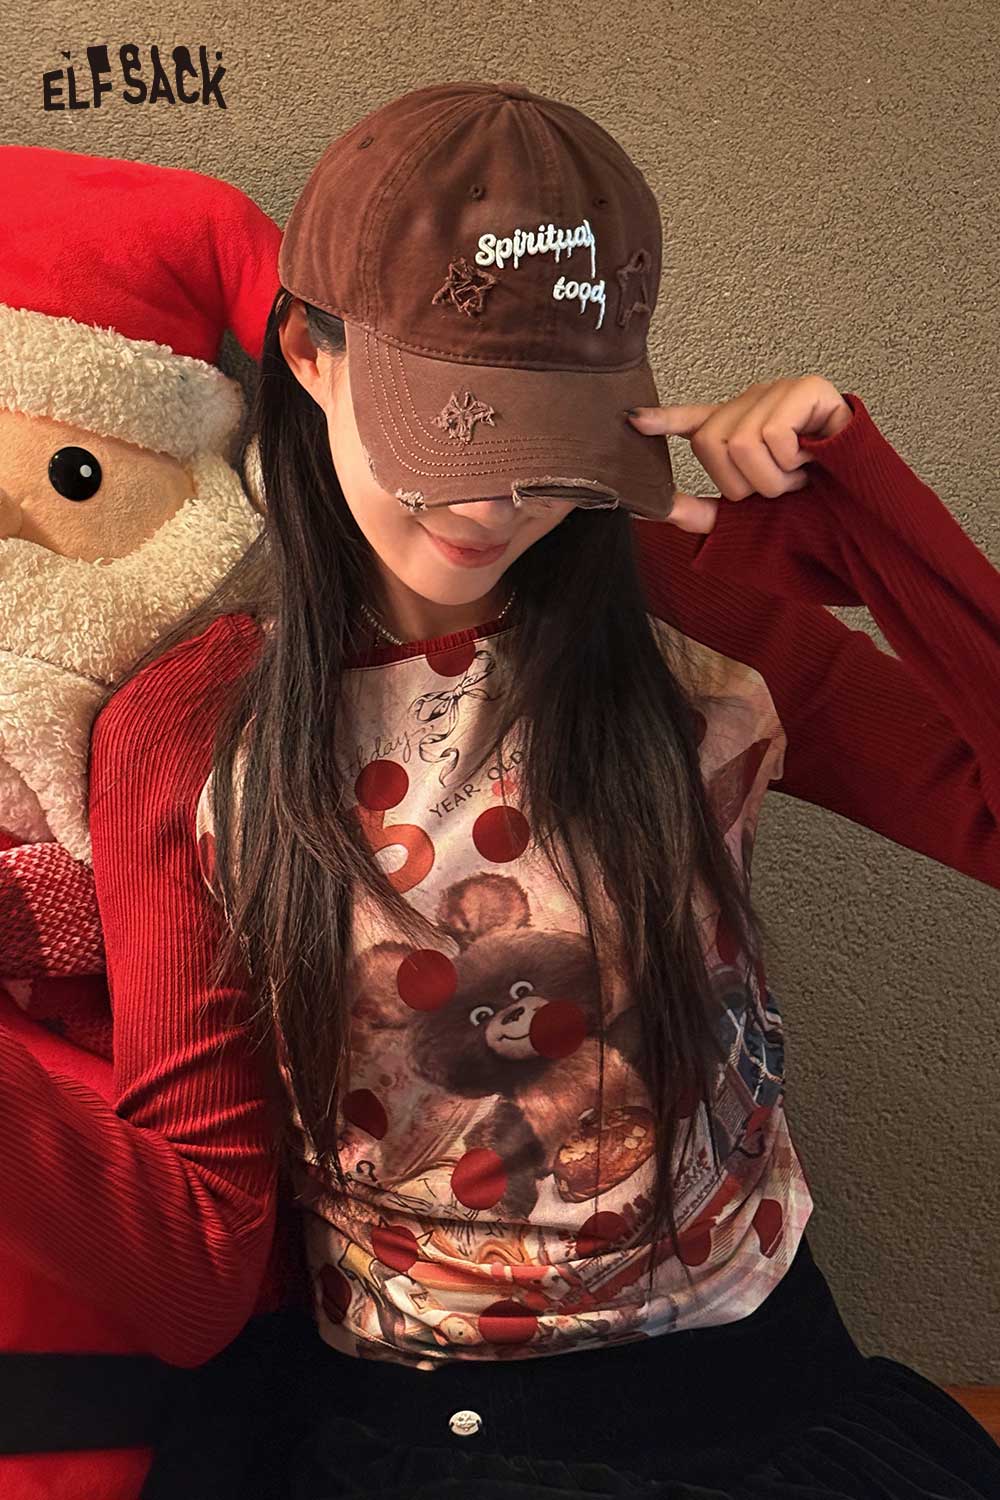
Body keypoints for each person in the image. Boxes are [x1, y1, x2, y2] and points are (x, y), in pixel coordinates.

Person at [10, 79, 999, 1499]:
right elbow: (198, 1269)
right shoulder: (194, 730)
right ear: (310, 355)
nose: (493, 502)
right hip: (411, 1438)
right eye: (450, 432)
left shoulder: (695, 628)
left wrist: (867, 538)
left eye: (542, 438)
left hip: (758, 1408)